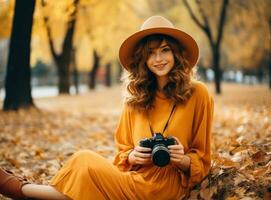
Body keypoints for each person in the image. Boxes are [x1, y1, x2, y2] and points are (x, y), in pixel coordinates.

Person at [0, 15, 214, 200]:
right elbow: (122, 154)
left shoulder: (198, 94)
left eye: (165, 50)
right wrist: (133, 156)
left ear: (176, 53)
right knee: (83, 160)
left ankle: (23, 190)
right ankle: (29, 191)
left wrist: (184, 160)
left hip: (169, 188)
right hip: (135, 180)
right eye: (150, 53)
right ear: (143, 59)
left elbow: (203, 160)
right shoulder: (135, 100)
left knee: (84, 163)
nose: (158, 59)